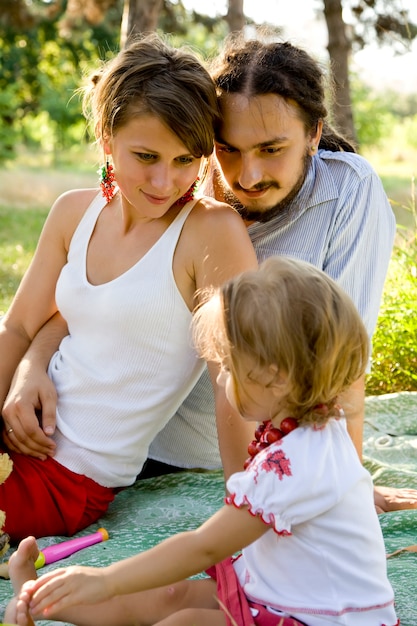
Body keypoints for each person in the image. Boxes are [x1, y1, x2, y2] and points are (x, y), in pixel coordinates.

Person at [2, 35, 416, 513]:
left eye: (272, 148)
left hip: (110, 460)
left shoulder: (228, 224)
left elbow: (311, 367)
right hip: (70, 427)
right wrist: (31, 365)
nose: (247, 176)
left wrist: (339, 486)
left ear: (314, 134)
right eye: (227, 150)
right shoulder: (116, 200)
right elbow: (73, 311)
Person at [4, 257, 399, 626]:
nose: (221, 378)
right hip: (277, 589)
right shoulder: (309, 421)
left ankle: (67, 596)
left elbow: (204, 546)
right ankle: (41, 601)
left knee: (184, 620)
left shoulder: (294, 465)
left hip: (322, 616)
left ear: (278, 377)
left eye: (229, 366)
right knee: (171, 595)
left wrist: (106, 579)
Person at [0, 33, 258, 543]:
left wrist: (246, 505)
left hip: (65, 477)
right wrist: (20, 379)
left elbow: (235, 377)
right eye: (146, 156)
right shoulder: (74, 212)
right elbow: (22, 323)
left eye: (187, 161)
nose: (166, 182)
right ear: (106, 138)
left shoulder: (210, 233)